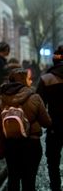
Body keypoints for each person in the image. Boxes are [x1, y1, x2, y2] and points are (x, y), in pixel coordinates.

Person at [0, 68, 51, 191]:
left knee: (13, 179)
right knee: (29, 181)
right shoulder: (34, 97)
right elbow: (46, 122)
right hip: (31, 144)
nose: (31, 81)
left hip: (10, 145)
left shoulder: (2, 100)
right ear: (23, 81)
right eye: (28, 78)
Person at [36, 45, 63, 191]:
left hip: (55, 126)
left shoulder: (47, 78)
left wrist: (44, 124)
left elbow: (38, 105)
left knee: (53, 161)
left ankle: (55, 187)